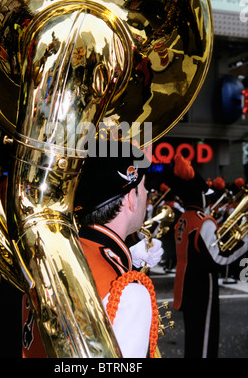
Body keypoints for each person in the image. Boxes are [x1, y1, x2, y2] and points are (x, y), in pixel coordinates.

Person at [74, 140, 164, 358]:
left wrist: (129, 258)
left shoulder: (63, 252)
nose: (145, 196)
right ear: (131, 198)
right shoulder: (129, 294)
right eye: (143, 188)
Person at [169, 154, 248, 358]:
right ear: (200, 196)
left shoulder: (183, 219)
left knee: (193, 341)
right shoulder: (203, 222)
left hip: (185, 286)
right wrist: (245, 242)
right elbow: (219, 258)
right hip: (202, 288)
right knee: (204, 342)